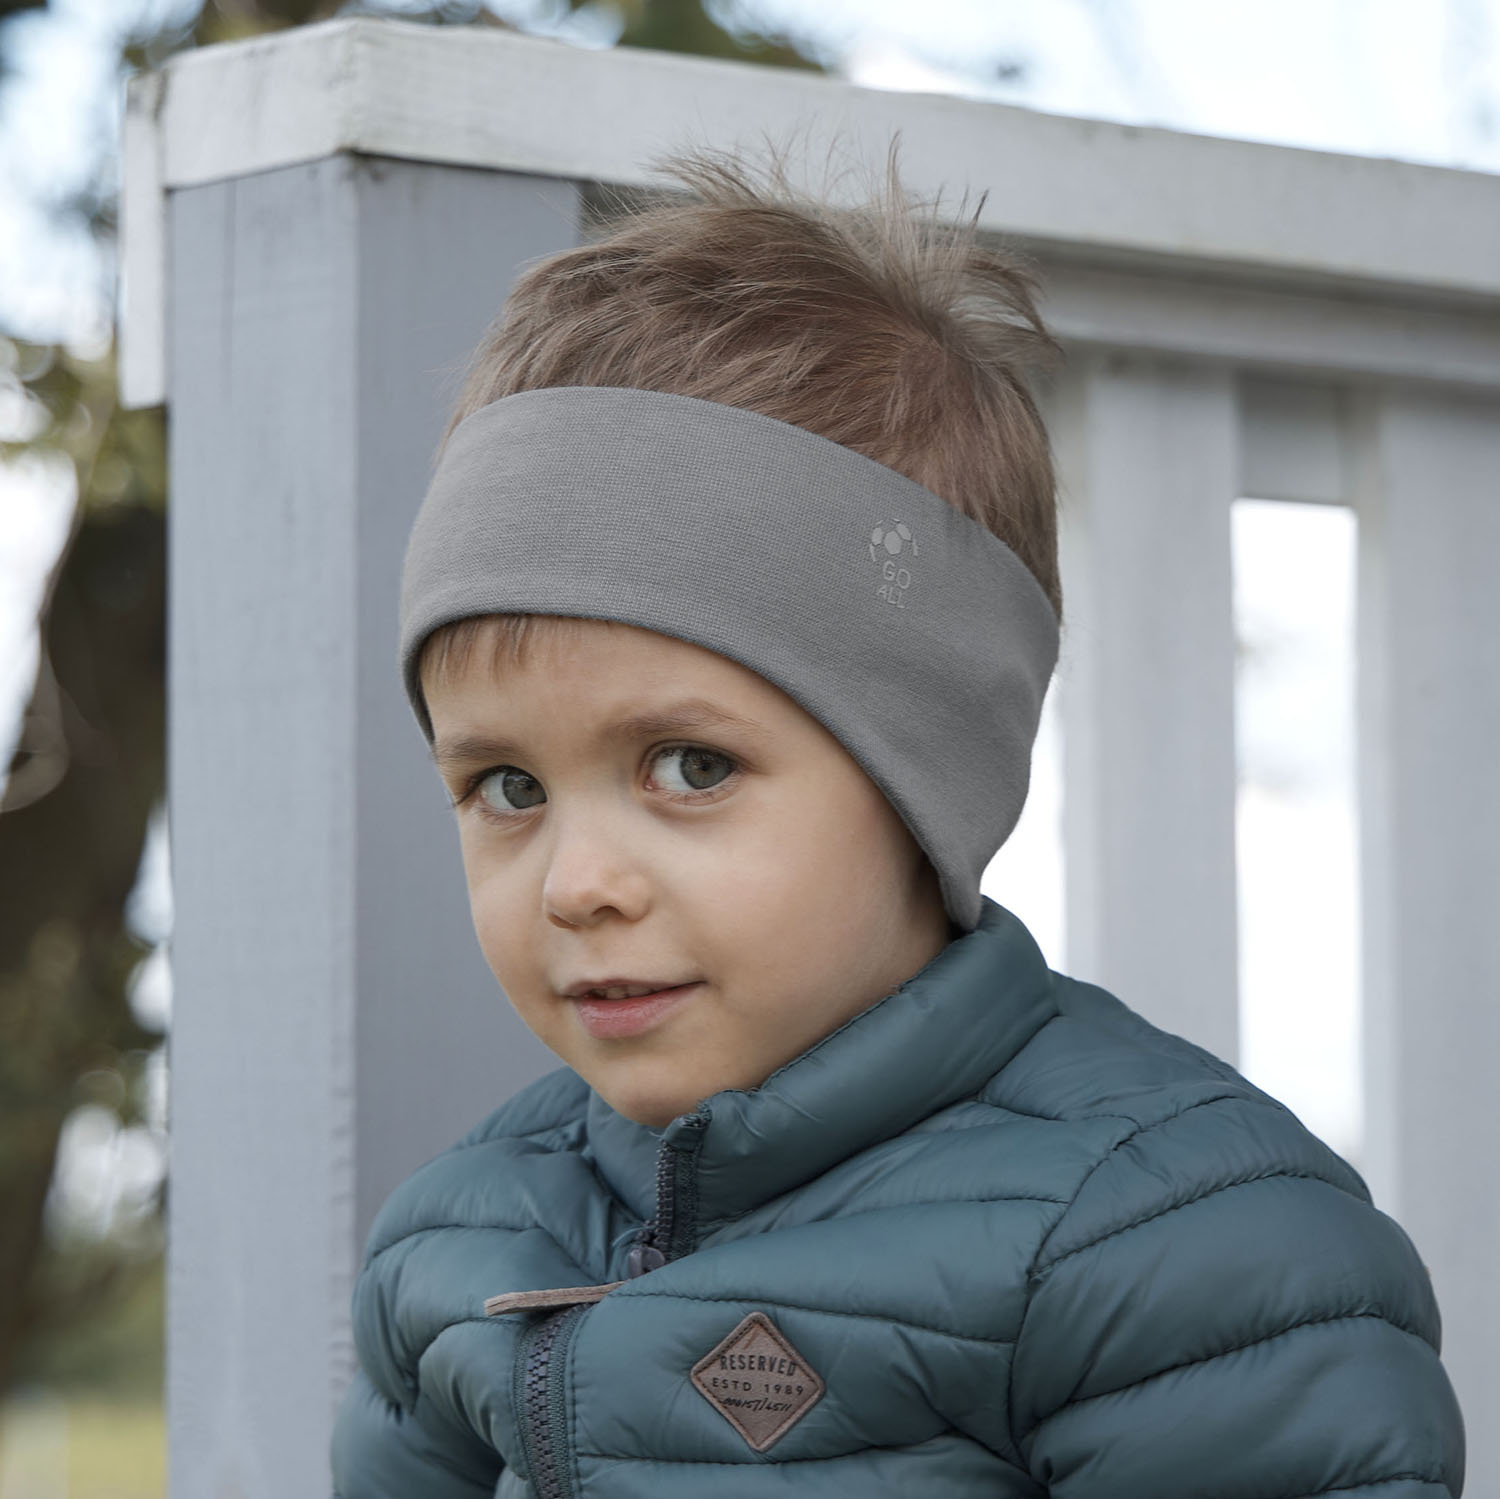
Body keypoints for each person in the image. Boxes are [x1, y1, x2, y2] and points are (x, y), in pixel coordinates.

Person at [330, 143, 1464, 1497]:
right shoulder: (457, 1243)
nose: (577, 883)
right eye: (508, 787)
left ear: (931, 775)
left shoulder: (1183, 1254)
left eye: (689, 767)